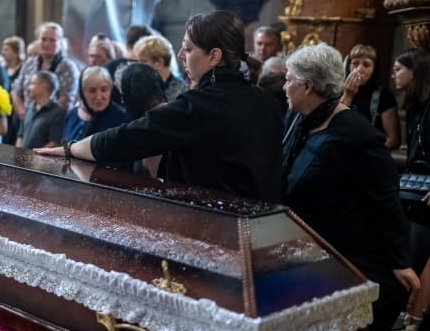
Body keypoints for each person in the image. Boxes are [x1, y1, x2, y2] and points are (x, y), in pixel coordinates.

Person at [36, 11, 283, 202]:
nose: (181, 54)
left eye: (188, 48)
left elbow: (128, 138)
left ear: (214, 56)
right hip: (262, 226)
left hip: (218, 226)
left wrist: (70, 149)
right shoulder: (267, 102)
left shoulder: (200, 106)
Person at [281, 44, 420, 331]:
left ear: (307, 86)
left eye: (289, 79)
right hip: (302, 244)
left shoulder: (356, 134)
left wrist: (399, 261)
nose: (284, 86)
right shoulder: (299, 119)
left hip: (342, 249)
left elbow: (386, 197)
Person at [392, 48, 430, 331]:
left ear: (415, 71)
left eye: (398, 69)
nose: (393, 75)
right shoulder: (417, 104)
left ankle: (416, 317)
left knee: (418, 253)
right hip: (417, 186)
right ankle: (413, 315)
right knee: (417, 255)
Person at [11, 22, 79, 116]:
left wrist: (42, 117)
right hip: (27, 117)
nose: (47, 44)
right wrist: (24, 114)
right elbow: (17, 91)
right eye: (43, 39)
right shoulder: (29, 63)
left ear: (60, 42)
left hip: (55, 119)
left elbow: (66, 97)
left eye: (52, 40)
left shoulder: (68, 67)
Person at [340, 44, 400, 150]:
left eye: (366, 65)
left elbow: (393, 139)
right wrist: (347, 95)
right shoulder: (338, 91)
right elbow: (333, 126)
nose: (359, 69)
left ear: (374, 69)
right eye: (355, 63)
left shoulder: (384, 95)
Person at [62, 66, 128, 143]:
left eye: (104, 90)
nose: (99, 97)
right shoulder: (72, 114)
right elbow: (64, 144)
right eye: (92, 91)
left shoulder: (122, 117)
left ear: (111, 90)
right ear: (82, 93)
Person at [16, 71, 64, 149]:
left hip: (39, 157)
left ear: (45, 86)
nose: (28, 88)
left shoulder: (58, 113)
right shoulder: (30, 108)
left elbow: (55, 143)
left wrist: (33, 155)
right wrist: (18, 153)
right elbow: (20, 135)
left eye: (33, 83)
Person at [133, 35, 186, 101]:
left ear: (159, 62)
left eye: (143, 61)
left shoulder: (181, 93)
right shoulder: (144, 88)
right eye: (138, 61)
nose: (138, 66)